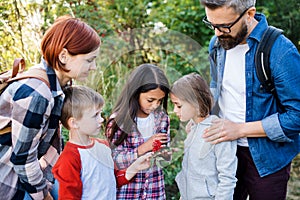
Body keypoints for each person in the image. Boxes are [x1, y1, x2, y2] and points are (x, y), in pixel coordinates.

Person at [199, 0, 300, 199]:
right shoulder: (217, 45)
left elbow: (296, 116)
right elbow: (217, 87)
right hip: (225, 151)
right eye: (212, 25)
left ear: (249, 13)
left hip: (267, 158)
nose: (218, 33)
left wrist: (239, 129)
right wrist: (202, 117)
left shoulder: (281, 51)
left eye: (225, 26)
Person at [0, 15, 101, 200]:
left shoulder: (59, 84)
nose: (93, 67)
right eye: (89, 60)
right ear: (63, 56)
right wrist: (44, 196)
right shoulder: (37, 94)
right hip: (10, 181)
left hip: (34, 171)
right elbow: (23, 160)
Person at [52, 85, 153, 200]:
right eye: (95, 115)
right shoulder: (69, 158)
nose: (101, 119)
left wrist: (135, 167)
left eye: (100, 113)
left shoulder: (103, 146)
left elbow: (113, 179)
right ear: (74, 123)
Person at [105, 63, 171, 200]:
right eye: (150, 100)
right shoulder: (119, 121)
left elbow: (162, 159)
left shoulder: (162, 119)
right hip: (128, 192)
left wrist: (165, 155)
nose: (155, 105)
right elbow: (114, 160)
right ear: (135, 93)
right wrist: (142, 149)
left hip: (155, 191)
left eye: (160, 100)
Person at [170, 73, 237, 200]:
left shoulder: (217, 130)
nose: (174, 110)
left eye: (178, 105)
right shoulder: (192, 129)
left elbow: (227, 178)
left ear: (195, 102)